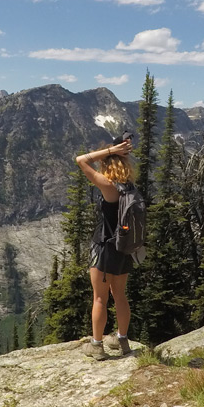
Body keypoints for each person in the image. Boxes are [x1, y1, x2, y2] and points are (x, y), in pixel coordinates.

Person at [75, 134, 135, 360]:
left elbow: (81, 160)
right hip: (123, 248)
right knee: (120, 295)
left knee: (100, 298)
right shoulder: (128, 187)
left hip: (104, 247)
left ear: (108, 163)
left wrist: (110, 150)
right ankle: (122, 341)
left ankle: (97, 346)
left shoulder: (108, 185)